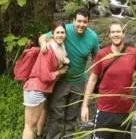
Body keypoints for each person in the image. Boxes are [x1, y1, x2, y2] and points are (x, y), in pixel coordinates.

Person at [38, 8, 99, 139]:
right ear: (73, 21)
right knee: (56, 113)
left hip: (79, 82)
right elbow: (44, 36)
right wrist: (43, 43)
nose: (81, 25)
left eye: (85, 22)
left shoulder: (93, 37)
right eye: (79, 21)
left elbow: (96, 59)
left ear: (88, 23)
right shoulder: (65, 30)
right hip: (62, 80)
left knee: (71, 116)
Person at [81, 19, 136, 139]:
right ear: (109, 35)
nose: (115, 34)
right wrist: (84, 105)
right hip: (104, 111)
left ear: (123, 34)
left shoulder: (133, 53)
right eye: (113, 32)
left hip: (125, 112)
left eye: (118, 31)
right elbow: (92, 79)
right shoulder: (102, 54)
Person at [22, 22, 70, 139]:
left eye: (62, 32)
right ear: (52, 34)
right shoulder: (48, 49)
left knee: (31, 124)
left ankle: (39, 135)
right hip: (35, 89)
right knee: (29, 126)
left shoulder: (57, 49)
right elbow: (45, 76)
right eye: (57, 32)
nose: (60, 35)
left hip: (37, 89)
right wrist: (60, 71)